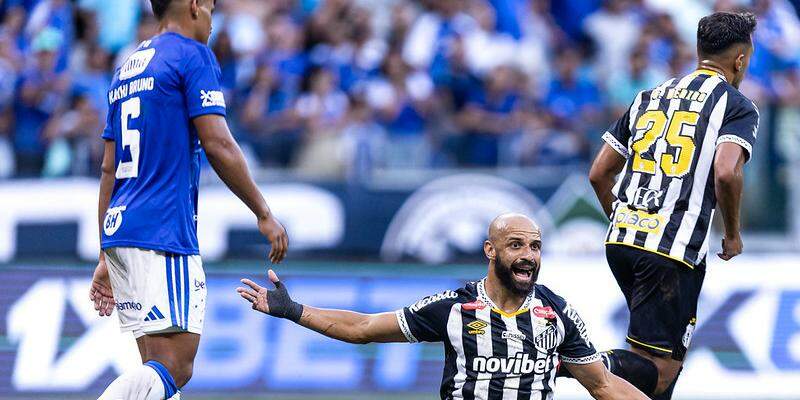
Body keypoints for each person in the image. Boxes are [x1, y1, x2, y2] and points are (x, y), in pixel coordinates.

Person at [89, 1, 289, 399]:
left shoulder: (128, 67)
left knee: (156, 372)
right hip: (162, 231)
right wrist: (263, 213)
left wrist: (104, 253)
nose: (213, 21)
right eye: (211, 8)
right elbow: (218, 144)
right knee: (175, 367)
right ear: (195, 5)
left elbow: (109, 169)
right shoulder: (191, 54)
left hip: (122, 231)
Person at [236, 213, 648, 400]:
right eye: (516, 245)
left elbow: (603, 385)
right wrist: (294, 310)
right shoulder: (453, 308)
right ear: (490, 250)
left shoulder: (557, 313)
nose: (528, 255)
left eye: (535, 246)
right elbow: (363, 329)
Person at [586, 11, 759, 400]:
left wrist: (622, 217)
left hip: (622, 241)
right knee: (660, 371)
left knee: (661, 363)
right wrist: (732, 234)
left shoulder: (648, 96)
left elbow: (599, 174)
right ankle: (570, 359)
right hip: (671, 251)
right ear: (740, 60)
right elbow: (727, 173)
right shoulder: (736, 105)